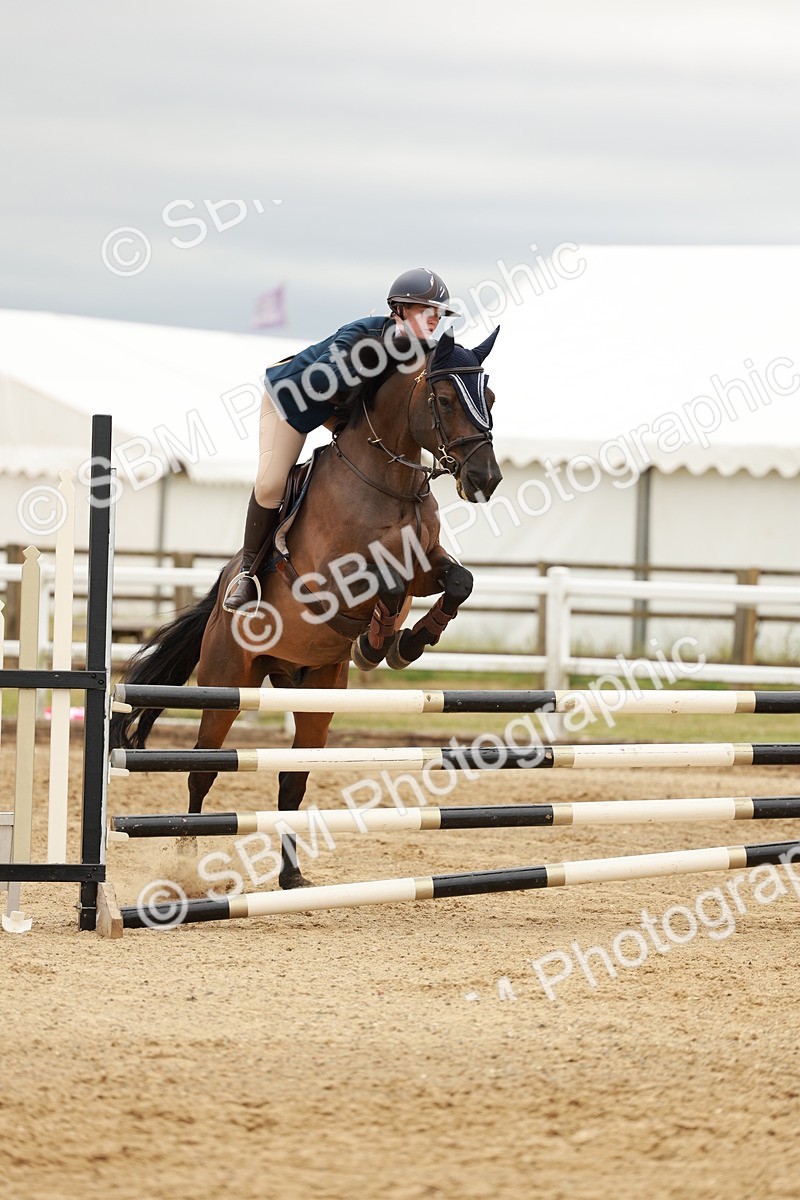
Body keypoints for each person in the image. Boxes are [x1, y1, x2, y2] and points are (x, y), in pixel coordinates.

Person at [222, 268, 457, 612]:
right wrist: (362, 360)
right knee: (272, 484)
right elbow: (320, 380)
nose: (435, 319)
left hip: (342, 410)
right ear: (400, 310)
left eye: (438, 313)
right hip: (292, 400)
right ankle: (247, 576)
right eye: (426, 311)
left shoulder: (426, 350)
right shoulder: (364, 333)